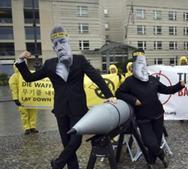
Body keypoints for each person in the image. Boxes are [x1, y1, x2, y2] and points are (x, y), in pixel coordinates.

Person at [15, 26, 116, 169]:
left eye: (62, 41)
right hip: (60, 110)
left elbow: (96, 78)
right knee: (67, 143)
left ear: (68, 42)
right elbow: (29, 78)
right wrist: (20, 61)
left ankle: (57, 164)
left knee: (75, 142)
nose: (60, 46)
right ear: (53, 47)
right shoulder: (50, 64)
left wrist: (110, 95)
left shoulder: (80, 60)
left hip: (78, 109)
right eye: (56, 44)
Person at [116, 49, 185, 169]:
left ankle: (151, 162)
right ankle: (161, 154)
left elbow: (167, 90)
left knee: (156, 142)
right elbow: (119, 93)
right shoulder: (129, 81)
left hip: (158, 116)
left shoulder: (152, 79)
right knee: (149, 143)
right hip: (143, 119)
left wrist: (179, 85)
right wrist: (133, 100)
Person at [8, 65, 39, 135]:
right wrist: (15, 98)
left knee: (33, 113)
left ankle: (32, 127)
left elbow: (40, 82)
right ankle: (27, 128)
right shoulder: (14, 77)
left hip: (32, 98)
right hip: (22, 99)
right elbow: (14, 88)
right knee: (24, 114)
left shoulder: (31, 73)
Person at [178, 56, 188, 123]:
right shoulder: (187, 68)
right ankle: (184, 117)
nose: (183, 63)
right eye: (182, 62)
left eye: (184, 62)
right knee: (184, 104)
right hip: (182, 89)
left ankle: (187, 117)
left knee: (186, 104)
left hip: (186, 89)